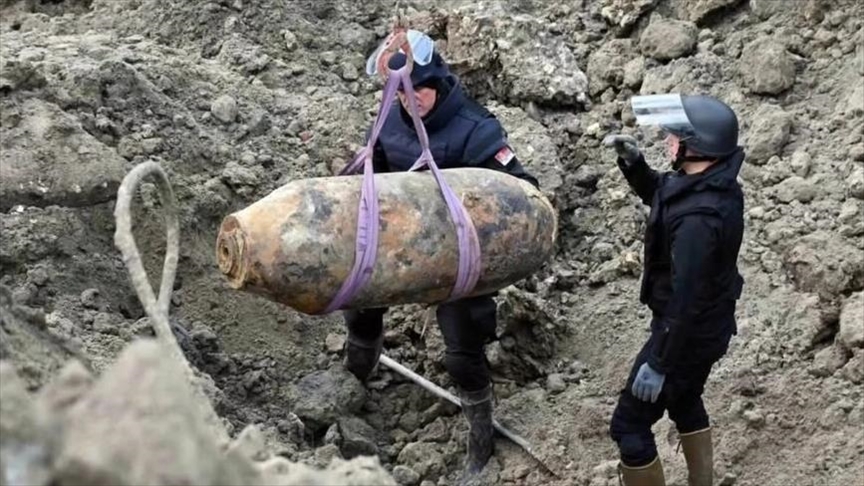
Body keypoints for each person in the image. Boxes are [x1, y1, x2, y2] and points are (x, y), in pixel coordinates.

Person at [342, 31, 539, 481]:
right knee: (361, 305)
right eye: (405, 96)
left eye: (422, 92)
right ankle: (355, 378)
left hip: (459, 257)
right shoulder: (391, 120)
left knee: (461, 349)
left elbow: (523, 192)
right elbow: (377, 174)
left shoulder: (477, 130)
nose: (413, 103)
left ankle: (480, 435)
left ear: (441, 82)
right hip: (404, 243)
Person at [603, 94, 745, 486]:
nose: (666, 140)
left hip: (687, 334)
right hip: (706, 329)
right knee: (683, 399)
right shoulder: (710, 184)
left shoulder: (700, 220)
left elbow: (687, 301)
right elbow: (666, 196)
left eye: (673, 137)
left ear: (695, 146)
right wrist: (635, 167)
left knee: (629, 426)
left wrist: (660, 362)